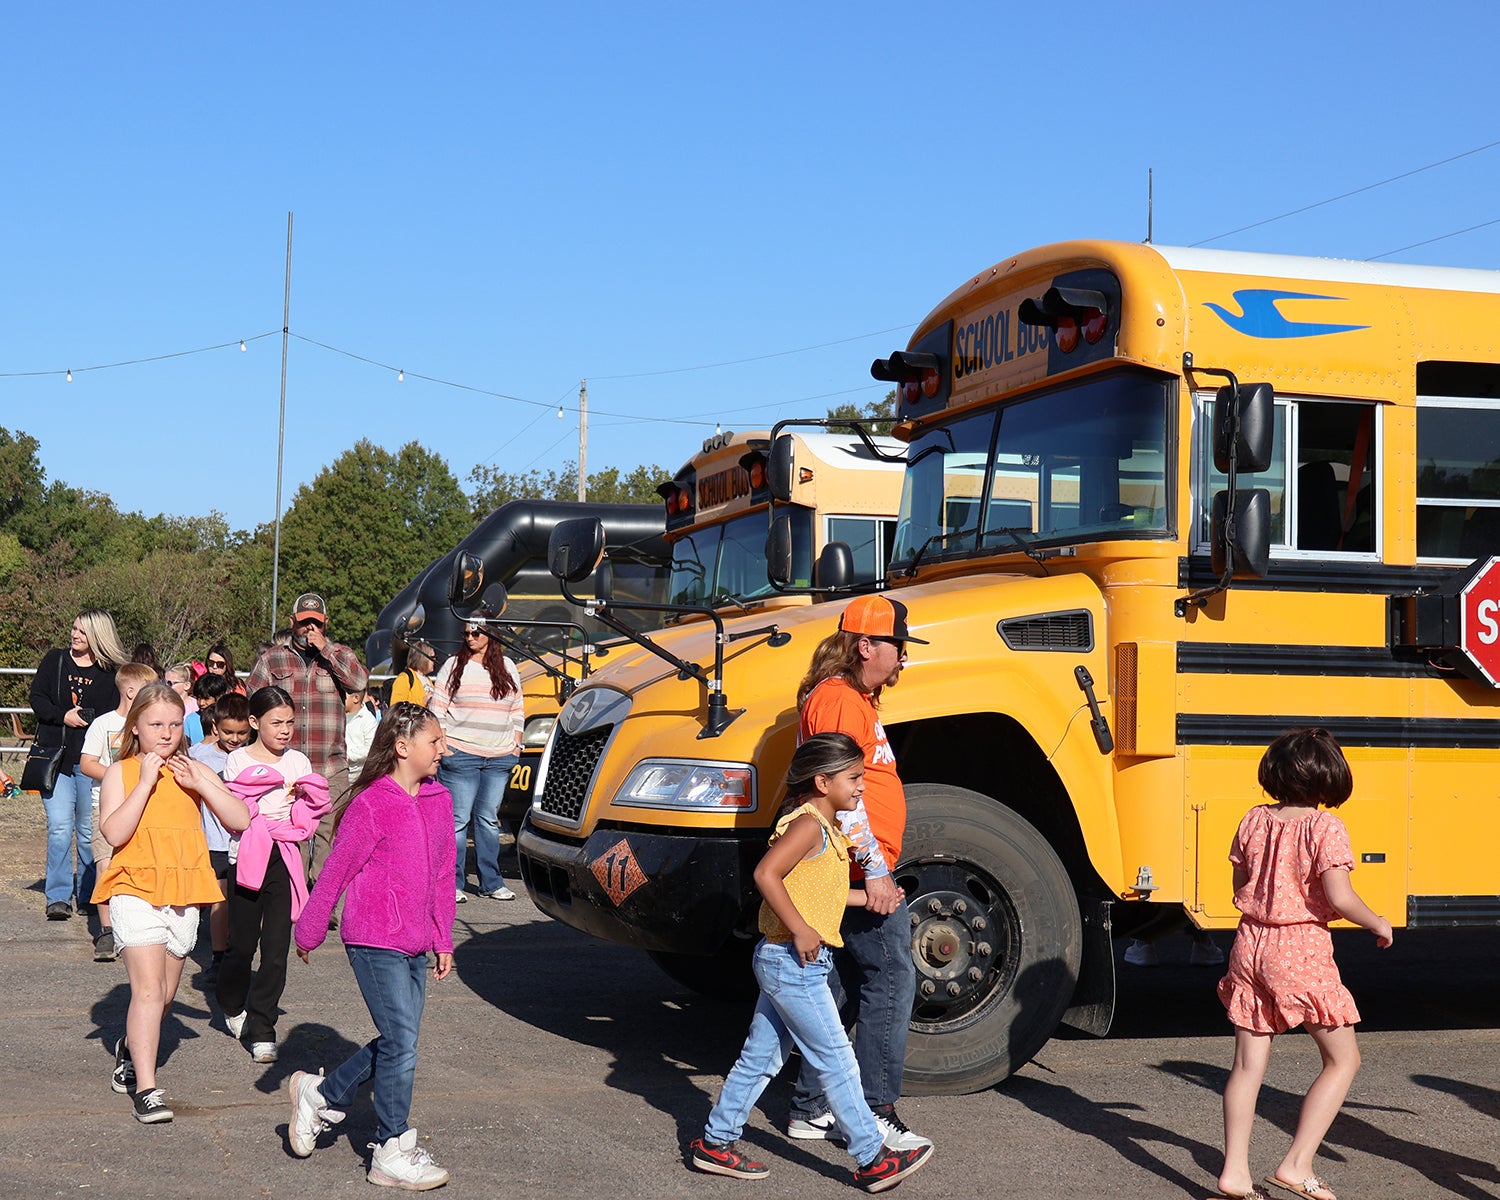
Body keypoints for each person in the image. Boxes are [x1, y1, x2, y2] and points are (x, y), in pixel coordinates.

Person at [689, 734, 935, 1191]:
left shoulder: (827, 828)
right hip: (792, 960)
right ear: (822, 782)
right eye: (854, 778)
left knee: (760, 1059)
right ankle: (871, 1157)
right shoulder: (807, 825)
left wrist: (869, 898)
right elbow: (767, 873)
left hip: (791, 960)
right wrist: (802, 929)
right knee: (836, 1058)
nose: (862, 787)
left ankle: (715, 1142)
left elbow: (818, 891)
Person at [1216, 728, 1393, 1200]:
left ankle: (1234, 1172)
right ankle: (1296, 1165)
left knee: (1247, 1066)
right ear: (1327, 776)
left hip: (1249, 942)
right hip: (1298, 948)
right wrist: (1377, 922)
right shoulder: (1324, 828)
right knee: (1342, 1058)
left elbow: (1239, 878)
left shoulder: (1254, 819)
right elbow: (1340, 895)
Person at [288, 702, 456, 1190]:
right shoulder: (371, 802)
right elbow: (336, 869)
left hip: (416, 942)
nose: (443, 749)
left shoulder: (438, 799)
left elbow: (445, 873)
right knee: (402, 1041)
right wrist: (310, 929)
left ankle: (320, 1094)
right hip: (372, 936)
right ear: (404, 748)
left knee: (399, 1043)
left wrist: (443, 936)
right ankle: (391, 1146)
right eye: (435, 742)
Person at [788, 594, 930, 1151]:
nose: (902, 660)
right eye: (897, 647)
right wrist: (874, 870)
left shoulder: (852, 699)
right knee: (892, 976)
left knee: (848, 984)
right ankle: (873, 1113)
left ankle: (810, 1107)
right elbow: (847, 800)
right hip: (855, 865)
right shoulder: (842, 702)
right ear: (865, 645)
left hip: (855, 862)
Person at [91, 681, 251, 1124]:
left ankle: (129, 1045)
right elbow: (115, 833)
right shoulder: (121, 772)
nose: (165, 733)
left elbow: (240, 819)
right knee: (146, 991)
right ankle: (147, 1087)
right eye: (155, 724)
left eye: (175, 724)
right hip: (134, 887)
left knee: (163, 994)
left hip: (184, 889)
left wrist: (205, 782)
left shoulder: (192, 769)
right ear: (136, 727)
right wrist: (144, 780)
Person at [216, 686, 327, 1064]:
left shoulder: (298, 762)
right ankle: (231, 1004)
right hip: (248, 856)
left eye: (290, 722)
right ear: (253, 722)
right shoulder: (237, 760)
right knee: (241, 946)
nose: (284, 730)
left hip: (285, 855)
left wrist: (304, 805)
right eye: (275, 722)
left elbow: (309, 812)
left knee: (276, 950)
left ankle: (263, 1028)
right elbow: (238, 814)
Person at [247, 593, 368, 883]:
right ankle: (294, 898)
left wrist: (325, 649)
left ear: (325, 625)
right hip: (285, 765)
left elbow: (359, 682)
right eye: (303, 623)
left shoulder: (340, 654)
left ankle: (324, 904)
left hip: (330, 765)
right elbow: (254, 699)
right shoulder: (273, 657)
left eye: (316, 623)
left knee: (331, 836)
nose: (309, 629)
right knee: (292, 836)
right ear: (292, 623)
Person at [31, 609, 128, 921]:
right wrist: (64, 716)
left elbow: (116, 715)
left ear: (98, 636)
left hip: (92, 762)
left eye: (83, 632)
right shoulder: (55, 660)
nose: (75, 635)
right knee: (60, 828)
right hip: (56, 759)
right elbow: (37, 698)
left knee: (88, 831)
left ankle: (89, 894)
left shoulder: (112, 673)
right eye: (74, 628)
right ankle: (58, 897)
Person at [426, 617, 523, 903]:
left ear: (491, 635)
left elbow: (518, 707)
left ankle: (491, 883)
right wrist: (443, 744)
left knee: (488, 821)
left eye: (476, 632)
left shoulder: (508, 668)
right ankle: (452, 883)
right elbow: (437, 706)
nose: (470, 637)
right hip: (461, 753)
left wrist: (516, 744)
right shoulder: (454, 665)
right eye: (466, 632)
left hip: (499, 756)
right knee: (458, 821)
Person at [79, 662, 159, 960]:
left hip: (146, 807)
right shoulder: (104, 724)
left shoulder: (153, 725)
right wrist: (119, 775)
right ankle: (106, 930)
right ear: (129, 691)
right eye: (147, 689)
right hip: (107, 805)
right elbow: (87, 763)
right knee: (105, 865)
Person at [189, 691, 252, 983]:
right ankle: (217, 957)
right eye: (228, 732)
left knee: (242, 903)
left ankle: (237, 953)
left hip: (246, 842)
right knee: (219, 901)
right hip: (212, 840)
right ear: (215, 725)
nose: (235, 738)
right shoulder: (200, 756)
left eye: (242, 733)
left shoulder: (251, 756)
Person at [387, 640, 436, 707]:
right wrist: (422, 702)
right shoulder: (404, 678)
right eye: (432, 657)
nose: (435, 660)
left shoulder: (428, 680)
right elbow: (396, 707)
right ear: (423, 658)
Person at [186, 671, 230, 746]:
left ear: (220, 697)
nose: (201, 703)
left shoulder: (228, 718)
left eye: (206, 699)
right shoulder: (191, 719)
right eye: (198, 698)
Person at [345, 685, 378, 777]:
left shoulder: (368, 720)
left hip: (359, 774)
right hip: (341, 772)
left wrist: (347, 756)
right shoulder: (339, 717)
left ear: (356, 698)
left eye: (344, 696)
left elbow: (370, 748)